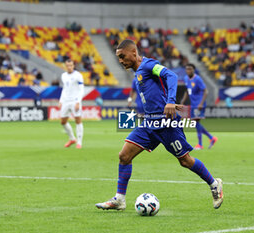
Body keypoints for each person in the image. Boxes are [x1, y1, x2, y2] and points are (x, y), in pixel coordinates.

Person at [95, 39, 223, 211]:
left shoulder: (149, 66)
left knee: (185, 161)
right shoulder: (138, 72)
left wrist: (170, 101)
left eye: (122, 56)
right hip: (149, 122)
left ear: (133, 52)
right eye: (118, 58)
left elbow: (171, 75)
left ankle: (214, 184)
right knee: (124, 156)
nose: (121, 61)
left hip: (166, 122)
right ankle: (119, 199)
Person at [181, 64, 217, 150]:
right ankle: (211, 138)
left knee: (196, 123)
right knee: (196, 123)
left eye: (190, 69)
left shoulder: (198, 79)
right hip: (193, 104)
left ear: (194, 70)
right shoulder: (186, 78)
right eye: (187, 69)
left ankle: (200, 144)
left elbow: (206, 91)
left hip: (198, 104)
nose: (188, 71)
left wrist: (201, 103)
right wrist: (182, 101)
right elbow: (187, 90)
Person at [59, 59, 84, 149]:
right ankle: (72, 139)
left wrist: (78, 101)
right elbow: (64, 89)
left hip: (75, 101)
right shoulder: (63, 76)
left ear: (73, 66)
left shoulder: (78, 75)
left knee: (78, 120)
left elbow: (81, 89)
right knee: (63, 121)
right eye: (67, 66)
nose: (69, 67)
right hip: (66, 101)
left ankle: (79, 142)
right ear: (65, 66)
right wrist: (61, 100)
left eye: (71, 65)